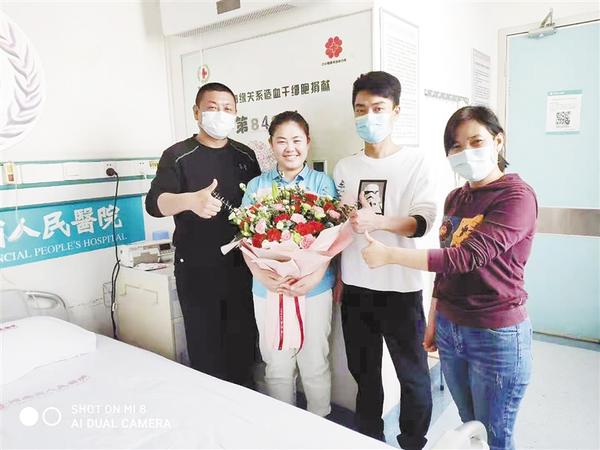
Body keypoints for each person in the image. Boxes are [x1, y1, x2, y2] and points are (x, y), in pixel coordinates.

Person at [361, 106, 537, 450]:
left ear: (498, 141)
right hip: (451, 327)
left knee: (495, 434)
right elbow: (446, 269)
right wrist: (434, 318)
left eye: (476, 141)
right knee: (470, 426)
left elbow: (466, 257)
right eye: (456, 146)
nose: (466, 152)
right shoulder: (456, 197)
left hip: (495, 332)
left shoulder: (516, 196)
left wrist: (390, 255)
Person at [332, 71, 436, 449]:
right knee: (364, 375)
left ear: (396, 111)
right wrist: (339, 277)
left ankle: (412, 441)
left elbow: (422, 222)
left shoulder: (415, 162)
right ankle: (369, 437)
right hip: (356, 288)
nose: (369, 117)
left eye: (378, 108)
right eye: (361, 109)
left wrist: (379, 221)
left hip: (400, 288)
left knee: (413, 377)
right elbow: (340, 227)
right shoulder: (345, 167)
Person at [145, 82, 260, 388]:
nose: (220, 114)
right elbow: (154, 204)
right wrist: (189, 201)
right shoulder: (178, 155)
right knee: (206, 350)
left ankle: (243, 407)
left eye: (227, 108)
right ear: (196, 112)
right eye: (212, 107)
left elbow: (258, 204)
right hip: (196, 267)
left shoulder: (245, 155)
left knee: (242, 349)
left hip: (241, 267)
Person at [241, 111, 336, 417]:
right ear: (271, 144)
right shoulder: (256, 186)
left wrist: (313, 277)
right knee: (277, 364)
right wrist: (262, 275)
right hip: (268, 288)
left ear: (308, 142)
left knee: (314, 362)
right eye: (281, 141)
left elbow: (331, 240)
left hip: (314, 288)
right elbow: (244, 238)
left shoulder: (323, 183)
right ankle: (283, 426)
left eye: (296, 140)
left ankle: (320, 424)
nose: (290, 148)